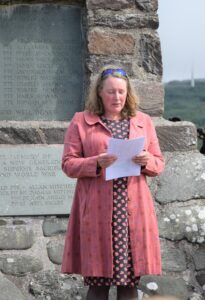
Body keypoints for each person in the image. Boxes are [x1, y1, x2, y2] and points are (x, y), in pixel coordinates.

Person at [61, 65, 165, 300]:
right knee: (98, 285)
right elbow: (68, 164)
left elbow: (159, 164)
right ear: (99, 92)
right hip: (97, 214)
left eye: (121, 91)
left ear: (128, 93)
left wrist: (147, 160)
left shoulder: (143, 122)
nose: (117, 97)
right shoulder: (81, 121)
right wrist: (96, 162)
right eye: (111, 92)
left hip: (132, 214)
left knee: (128, 285)